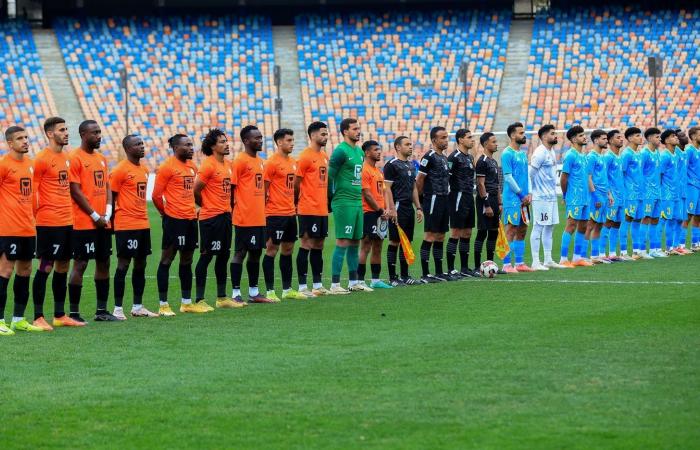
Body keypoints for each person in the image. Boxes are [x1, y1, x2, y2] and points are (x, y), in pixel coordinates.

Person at [32, 117, 83, 329]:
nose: (66, 132)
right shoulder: (42, 159)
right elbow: (33, 193)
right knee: (46, 266)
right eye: (62, 129)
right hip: (48, 224)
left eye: (66, 128)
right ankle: (37, 316)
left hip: (67, 222)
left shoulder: (67, 157)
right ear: (50, 133)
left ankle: (60, 315)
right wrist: (36, 218)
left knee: (63, 266)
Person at [152, 134, 208, 315]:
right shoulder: (166, 167)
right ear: (176, 148)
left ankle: (186, 303)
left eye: (192, 144)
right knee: (167, 259)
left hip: (191, 219)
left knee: (187, 260)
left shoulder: (192, 166)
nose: (192, 148)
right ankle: (163, 305)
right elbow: (156, 195)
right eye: (187, 145)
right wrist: (165, 214)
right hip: (174, 220)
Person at [68, 120, 115, 322]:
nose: (99, 135)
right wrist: (95, 216)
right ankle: (74, 313)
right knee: (81, 263)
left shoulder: (102, 158)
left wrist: (108, 212)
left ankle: (102, 311)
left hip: (103, 221)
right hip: (83, 222)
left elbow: (106, 187)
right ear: (83, 134)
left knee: (104, 262)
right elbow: (75, 190)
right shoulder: (74, 158)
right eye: (94, 132)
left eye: (99, 132)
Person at [0, 126, 43, 335]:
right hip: (8, 229)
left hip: (28, 228)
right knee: (5, 272)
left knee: (25, 271)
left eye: (26, 137)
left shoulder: (31, 164)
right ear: (10, 143)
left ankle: (18, 319)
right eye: (20, 138)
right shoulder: (3, 165)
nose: (25, 141)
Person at [110, 135, 157, 319]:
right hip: (126, 224)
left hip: (142, 223)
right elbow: (110, 198)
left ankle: (137, 306)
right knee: (123, 264)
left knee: (141, 264)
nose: (142, 147)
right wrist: (112, 223)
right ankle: (118, 308)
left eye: (142, 143)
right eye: (137, 144)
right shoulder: (120, 170)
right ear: (128, 149)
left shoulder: (144, 169)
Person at [193, 129, 237, 309]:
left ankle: (221, 298)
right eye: (221, 142)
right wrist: (206, 205)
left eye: (226, 141)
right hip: (211, 218)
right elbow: (196, 190)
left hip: (225, 216)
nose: (226, 144)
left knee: (223, 255)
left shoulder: (228, 165)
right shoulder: (208, 165)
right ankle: (199, 300)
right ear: (212, 146)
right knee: (207, 256)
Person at [262, 129, 308, 301]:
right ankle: (269, 291)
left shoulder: (294, 162)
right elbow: (263, 190)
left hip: (290, 213)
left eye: (293, 139)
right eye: (289, 140)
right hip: (274, 215)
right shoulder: (271, 163)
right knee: (271, 250)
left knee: (288, 250)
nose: (292, 143)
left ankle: (287, 289)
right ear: (279, 142)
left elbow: (294, 187)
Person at [230, 125, 274, 303]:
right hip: (244, 217)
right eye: (256, 138)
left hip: (259, 216)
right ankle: (235, 293)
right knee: (240, 253)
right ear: (246, 141)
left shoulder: (260, 161)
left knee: (256, 253)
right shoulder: (240, 161)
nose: (260, 140)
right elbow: (232, 189)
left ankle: (254, 293)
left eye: (261, 137)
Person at [328, 118, 372, 293]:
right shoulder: (340, 151)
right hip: (343, 202)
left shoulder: (360, 153)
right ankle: (335, 284)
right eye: (354, 129)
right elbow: (329, 177)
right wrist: (330, 199)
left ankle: (354, 282)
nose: (358, 131)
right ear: (345, 131)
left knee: (355, 241)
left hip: (356, 201)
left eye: (359, 128)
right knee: (343, 241)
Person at [295, 121, 331, 297]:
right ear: (313, 135)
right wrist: (298, 202)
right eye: (322, 134)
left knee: (319, 245)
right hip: (308, 208)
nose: (326, 137)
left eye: (326, 134)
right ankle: (302, 287)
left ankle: (317, 285)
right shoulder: (305, 156)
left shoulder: (324, 156)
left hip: (321, 209)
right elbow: (296, 183)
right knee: (306, 244)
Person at [416, 126, 455, 283]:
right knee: (430, 235)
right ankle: (425, 274)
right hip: (432, 199)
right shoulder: (429, 156)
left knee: (440, 236)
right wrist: (421, 202)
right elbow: (419, 180)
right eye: (443, 138)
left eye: (447, 137)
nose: (446, 140)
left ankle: (439, 272)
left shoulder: (444, 158)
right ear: (434, 140)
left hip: (444, 199)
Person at [383, 136, 423, 286]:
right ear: (398, 147)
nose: (410, 147)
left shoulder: (411, 165)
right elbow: (386, 189)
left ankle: (405, 276)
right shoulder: (391, 165)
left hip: (408, 208)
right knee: (394, 241)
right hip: (397, 207)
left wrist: (418, 207)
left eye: (411, 144)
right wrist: (391, 209)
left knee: (407, 242)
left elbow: (413, 188)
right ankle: (393, 278)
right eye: (407, 144)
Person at [358, 140, 393, 289]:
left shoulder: (378, 171)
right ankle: (359, 281)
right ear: (367, 153)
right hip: (369, 212)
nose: (379, 152)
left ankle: (375, 280)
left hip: (381, 213)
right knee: (366, 245)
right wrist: (380, 210)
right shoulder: (364, 170)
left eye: (379, 150)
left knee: (378, 245)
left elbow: (384, 191)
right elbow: (366, 194)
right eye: (375, 150)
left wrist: (386, 209)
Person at [529, 124, 564, 269]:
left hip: (551, 197)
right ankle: (535, 261)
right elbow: (530, 173)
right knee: (538, 227)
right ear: (544, 136)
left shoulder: (551, 151)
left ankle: (548, 259)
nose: (555, 135)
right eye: (552, 133)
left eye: (555, 133)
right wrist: (531, 192)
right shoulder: (540, 152)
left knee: (550, 227)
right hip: (540, 197)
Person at [445, 129, 479, 278]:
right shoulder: (454, 157)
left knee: (467, 232)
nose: (472, 140)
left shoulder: (470, 157)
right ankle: (451, 269)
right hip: (457, 196)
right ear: (460, 140)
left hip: (468, 196)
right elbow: (446, 177)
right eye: (469, 137)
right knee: (456, 232)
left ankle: (464, 268)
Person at [500, 122, 532, 273]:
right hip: (513, 198)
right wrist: (521, 194)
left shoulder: (522, 154)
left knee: (522, 229)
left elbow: (527, 175)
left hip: (524, 198)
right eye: (520, 133)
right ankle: (506, 265)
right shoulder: (507, 153)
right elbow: (508, 177)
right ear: (512, 135)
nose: (523, 135)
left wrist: (529, 193)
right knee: (511, 229)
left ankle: (519, 263)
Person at [584, 129, 613, 264]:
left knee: (599, 225)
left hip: (604, 195)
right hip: (595, 196)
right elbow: (588, 177)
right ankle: (583, 256)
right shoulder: (591, 157)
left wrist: (609, 194)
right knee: (590, 225)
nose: (606, 141)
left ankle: (595, 255)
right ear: (596, 140)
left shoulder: (602, 156)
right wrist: (595, 196)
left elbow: (604, 178)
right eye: (603, 139)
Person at [474, 133, 502, 270]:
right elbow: (480, 184)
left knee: (493, 232)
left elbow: (496, 185)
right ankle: (477, 266)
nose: (496, 144)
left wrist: (500, 203)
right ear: (485, 144)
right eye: (493, 141)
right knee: (482, 232)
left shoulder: (494, 161)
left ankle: (490, 264)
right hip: (485, 199)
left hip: (494, 199)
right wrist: (487, 204)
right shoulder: (482, 161)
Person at [602, 129, 627, 261]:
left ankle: (612, 253)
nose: (621, 139)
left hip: (621, 196)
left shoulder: (619, 156)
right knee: (608, 222)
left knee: (617, 223)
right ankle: (601, 254)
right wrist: (608, 193)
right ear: (610, 140)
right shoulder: (608, 157)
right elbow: (602, 176)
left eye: (621, 137)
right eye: (618, 137)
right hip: (611, 196)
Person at [620, 127, 645, 259]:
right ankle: (623, 252)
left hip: (639, 193)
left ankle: (637, 251)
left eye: (640, 135)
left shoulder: (639, 153)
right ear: (629, 138)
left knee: (637, 221)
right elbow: (621, 173)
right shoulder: (626, 154)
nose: (640, 138)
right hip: (630, 194)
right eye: (637, 135)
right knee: (627, 220)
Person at [640, 128, 663, 258]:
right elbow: (639, 173)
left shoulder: (657, 153)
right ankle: (643, 251)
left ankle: (654, 249)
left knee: (655, 219)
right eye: (657, 137)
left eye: (660, 137)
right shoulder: (644, 153)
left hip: (657, 191)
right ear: (649, 138)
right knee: (646, 218)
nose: (659, 139)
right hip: (647, 192)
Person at [658, 130, 682, 254]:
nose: (676, 137)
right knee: (665, 219)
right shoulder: (665, 155)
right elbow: (659, 175)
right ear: (666, 140)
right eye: (673, 136)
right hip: (666, 193)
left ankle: (672, 247)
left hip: (676, 192)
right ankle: (660, 248)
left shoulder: (676, 154)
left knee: (676, 219)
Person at [675, 129, 691, 253]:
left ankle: (680, 245)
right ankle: (673, 247)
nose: (685, 137)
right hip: (675, 191)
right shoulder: (675, 153)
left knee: (683, 217)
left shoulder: (684, 152)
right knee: (674, 219)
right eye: (681, 136)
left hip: (684, 190)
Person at [686, 127, 700, 250]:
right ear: (694, 137)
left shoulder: (698, 150)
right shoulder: (689, 150)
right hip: (691, 186)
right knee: (689, 214)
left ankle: (695, 243)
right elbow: (683, 169)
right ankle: (679, 244)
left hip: (699, 186)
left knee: (698, 215)